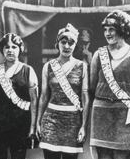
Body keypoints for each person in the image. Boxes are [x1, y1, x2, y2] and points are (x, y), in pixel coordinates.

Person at [89, 10, 130, 159]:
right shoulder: (98, 55)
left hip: (125, 114)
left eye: (111, 29)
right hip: (102, 112)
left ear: (122, 29)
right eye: (105, 30)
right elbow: (92, 87)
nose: (107, 33)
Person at [36, 23, 89, 159]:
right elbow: (43, 96)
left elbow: (85, 98)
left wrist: (83, 126)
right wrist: (38, 122)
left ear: (75, 45)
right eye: (63, 42)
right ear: (57, 43)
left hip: (73, 122)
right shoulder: (48, 66)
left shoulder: (82, 66)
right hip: (50, 121)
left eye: (71, 43)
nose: (66, 46)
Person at [0, 33, 38, 159]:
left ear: (20, 49)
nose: (10, 50)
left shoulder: (28, 71)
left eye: (14, 47)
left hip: (20, 125)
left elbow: (34, 101)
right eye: (6, 47)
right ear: (2, 50)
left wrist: (33, 127)